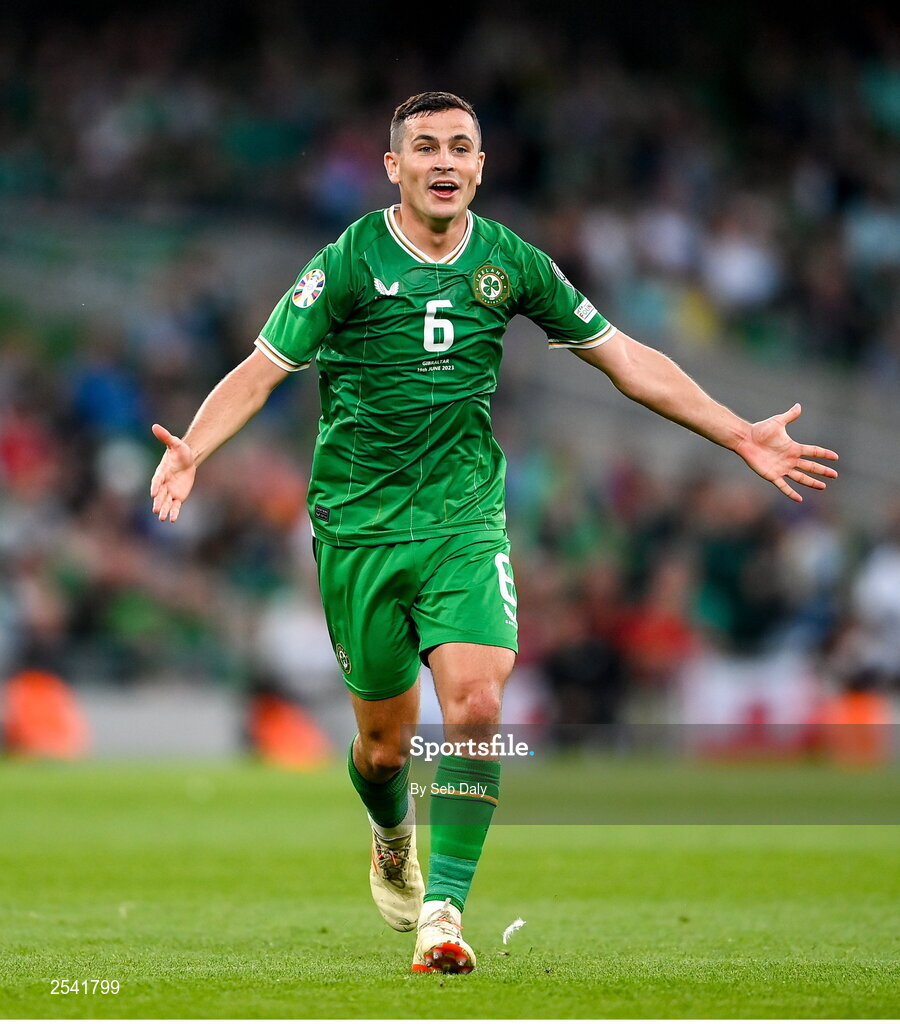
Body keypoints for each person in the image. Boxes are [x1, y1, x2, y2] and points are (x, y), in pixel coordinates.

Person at [150, 91, 839, 974]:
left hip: (463, 522)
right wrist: (194, 450)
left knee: (475, 708)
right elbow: (263, 367)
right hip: (359, 530)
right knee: (383, 745)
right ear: (394, 167)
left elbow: (627, 359)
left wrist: (738, 429)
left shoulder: (509, 261)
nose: (445, 162)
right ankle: (391, 829)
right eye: (425, 147)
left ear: (481, 166)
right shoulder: (352, 258)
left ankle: (444, 910)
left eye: (461, 147)